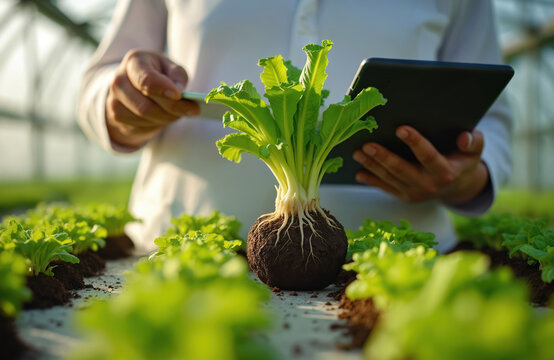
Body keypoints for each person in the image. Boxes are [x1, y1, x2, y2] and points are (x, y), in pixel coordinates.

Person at [78, 0, 512, 253]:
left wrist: (468, 175)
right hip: (178, 247)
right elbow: (100, 79)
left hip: (394, 262)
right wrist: (119, 104)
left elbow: (490, 108)